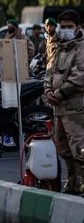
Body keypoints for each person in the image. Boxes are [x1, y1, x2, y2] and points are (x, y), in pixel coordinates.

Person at [44, 10, 84, 195]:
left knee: (80, 149)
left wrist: (58, 93)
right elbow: (50, 71)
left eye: (70, 27)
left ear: (78, 28)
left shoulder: (81, 48)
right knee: (63, 149)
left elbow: (79, 77)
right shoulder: (59, 47)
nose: (66, 30)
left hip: (75, 108)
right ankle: (73, 181)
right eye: (64, 27)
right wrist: (48, 90)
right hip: (58, 109)